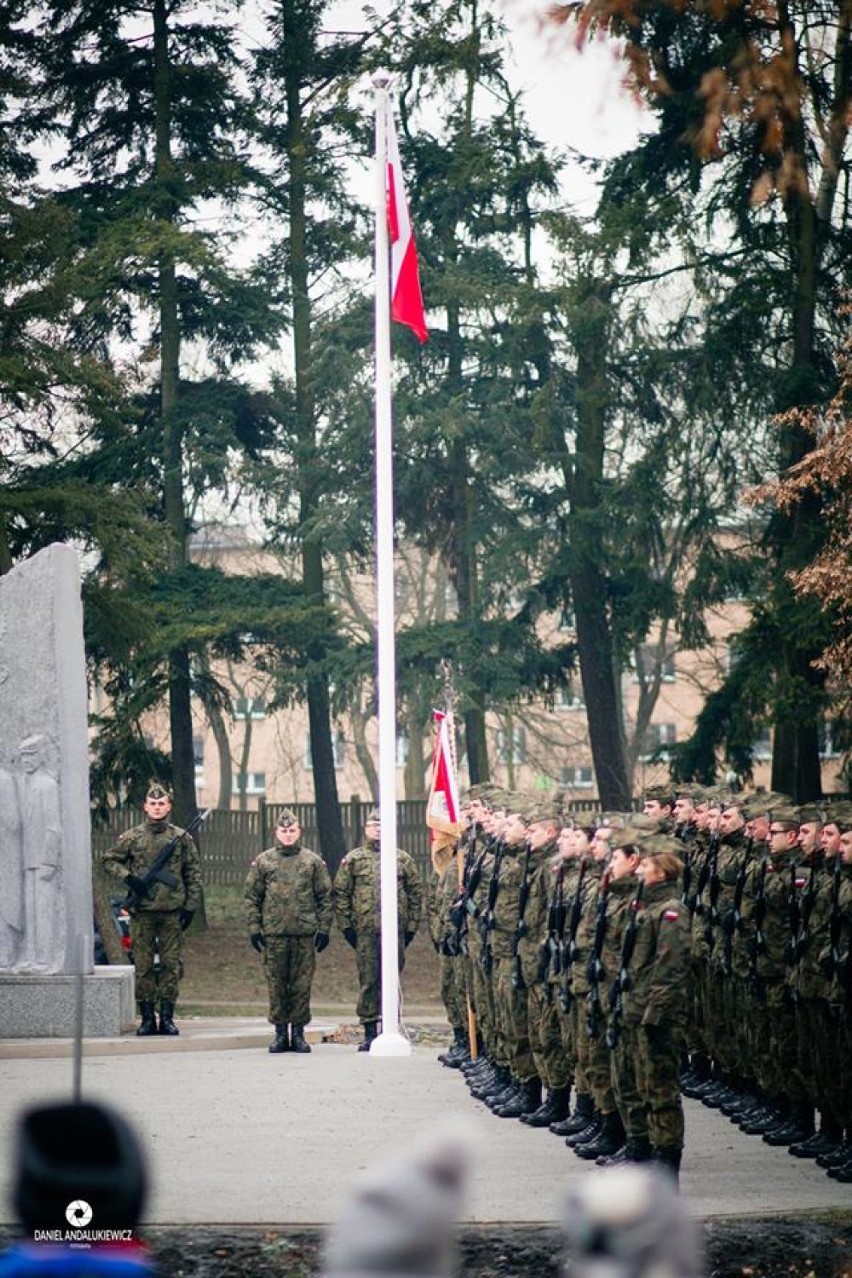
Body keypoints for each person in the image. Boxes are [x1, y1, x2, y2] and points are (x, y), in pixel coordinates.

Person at [100, 783, 202, 1037]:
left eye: (162, 803)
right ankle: (147, 1018)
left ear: (168, 807)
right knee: (143, 966)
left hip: (171, 912)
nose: (157, 807)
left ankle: (167, 1018)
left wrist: (189, 907)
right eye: (153, 803)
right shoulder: (133, 837)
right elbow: (108, 859)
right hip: (143, 912)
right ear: (146, 807)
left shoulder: (181, 838)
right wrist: (128, 878)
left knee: (170, 966)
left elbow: (193, 874)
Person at [333, 807, 423, 1051]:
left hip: (395, 932)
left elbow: (416, 894)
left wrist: (411, 927)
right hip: (365, 932)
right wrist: (346, 927)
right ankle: (370, 1031)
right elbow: (341, 894)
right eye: (373, 825)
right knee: (369, 981)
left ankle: (391, 1027)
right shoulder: (353, 859)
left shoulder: (402, 859)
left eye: (382, 825)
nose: (377, 830)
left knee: (392, 981)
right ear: (366, 829)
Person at [244, 807, 333, 1054]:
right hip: (274, 934)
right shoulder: (264, 861)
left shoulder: (312, 861)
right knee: (277, 984)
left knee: (302, 985)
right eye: (284, 831)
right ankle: (281, 1034)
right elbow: (252, 896)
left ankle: (300, 1034)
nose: (288, 835)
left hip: (303, 934)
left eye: (292, 830)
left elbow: (325, 896)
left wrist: (324, 929)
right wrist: (254, 928)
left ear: (299, 832)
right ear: (276, 832)